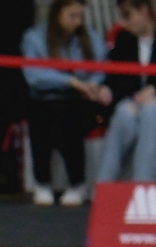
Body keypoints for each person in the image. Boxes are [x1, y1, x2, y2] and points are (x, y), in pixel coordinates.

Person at [22, 0, 111, 206]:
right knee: (43, 115)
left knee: (68, 117)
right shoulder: (34, 38)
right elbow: (33, 75)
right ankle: (42, 181)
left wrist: (92, 83)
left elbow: (103, 65)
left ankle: (77, 182)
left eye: (80, 17)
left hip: (80, 100)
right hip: (45, 98)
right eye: (72, 16)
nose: (77, 22)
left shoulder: (89, 37)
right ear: (57, 14)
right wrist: (70, 81)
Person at [96, 0, 156, 182]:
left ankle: (141, 185)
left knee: (151, 111)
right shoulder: (124, 38)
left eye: (127, 15)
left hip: (151, 106)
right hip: (133, 101)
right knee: (123, 113)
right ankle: (103, 185)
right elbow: (115, 79)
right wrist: (106, 90)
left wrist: (154, 90)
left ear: (144, 11)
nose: (123, 22)